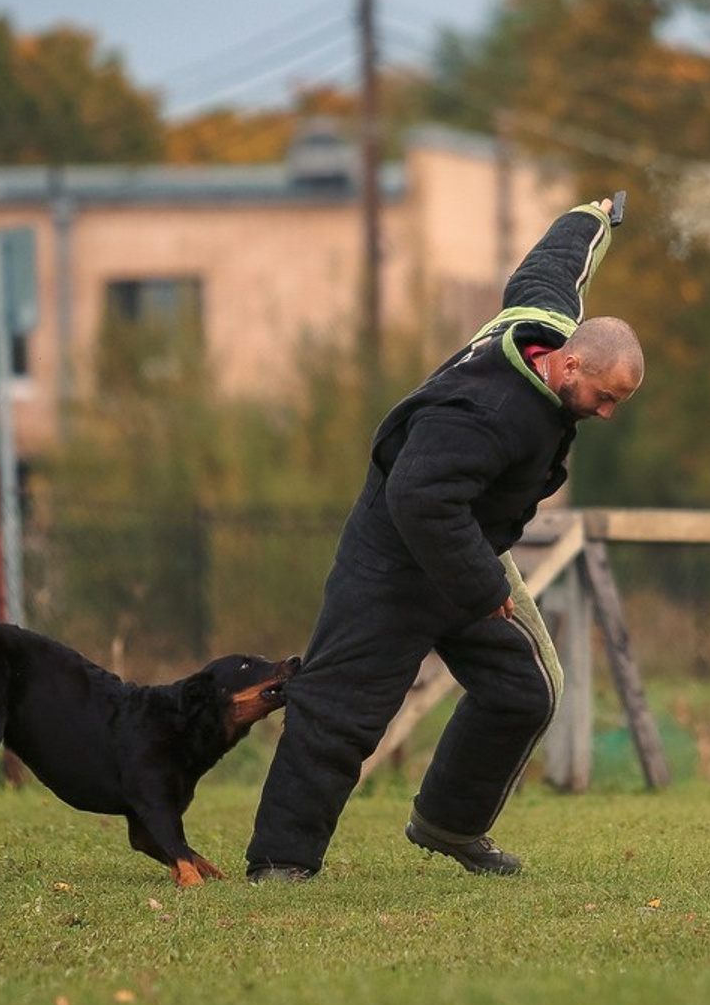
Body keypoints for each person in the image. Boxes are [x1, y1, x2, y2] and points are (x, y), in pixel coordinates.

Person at [246, 197, 643, 882]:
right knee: (341, 710)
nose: (606, 414)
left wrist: (594, 216)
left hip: (463, 551)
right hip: (394, 559)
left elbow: (555, 265)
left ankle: (449, 825)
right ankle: (282, 861)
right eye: (604, 398)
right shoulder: (485, 412)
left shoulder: (542, 325)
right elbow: (418, 499)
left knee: (524, 691)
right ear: (572, 365)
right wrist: (486, 589)